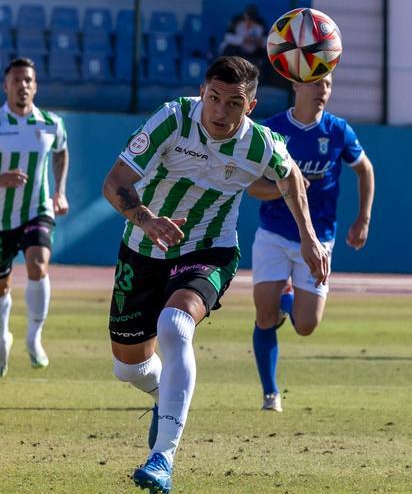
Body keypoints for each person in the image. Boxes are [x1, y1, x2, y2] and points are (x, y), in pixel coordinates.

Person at [101, 56, 329, 494]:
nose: (220, 112)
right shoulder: (171, 120)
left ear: (251, 105)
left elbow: (291, 176)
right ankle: (164, 397)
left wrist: (309, 237)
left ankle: (162, 458)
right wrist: (147, 219)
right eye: (214, 98)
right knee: (127, 369)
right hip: (143, 250)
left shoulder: (259, 142)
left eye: (233, 103)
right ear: (202, 92)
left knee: (175, 324)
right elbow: (114, 182)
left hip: (210, 250)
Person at [247, 73, 374, 412]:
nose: (323, 91)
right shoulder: (273, 131)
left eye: (329, 84)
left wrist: (363, 218)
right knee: (263, 315)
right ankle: (270, 394)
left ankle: (288, 300)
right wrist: (288, 186)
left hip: (319, 239)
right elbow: (252, 187)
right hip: (274, 233)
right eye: (317, 84)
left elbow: (365, 170)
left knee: (306, 326)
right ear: (296, 86)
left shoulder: (337, 131)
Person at [0, 57, 69, 378]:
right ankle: (1, 338)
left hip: (37, 211)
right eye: (16, 80)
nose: (23, 85)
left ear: (35, 86)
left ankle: (34, 338)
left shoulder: (51, 123)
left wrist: (59, 192)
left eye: (28, 80)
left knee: (38, 264)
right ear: (5, 85)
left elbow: (61, 151)